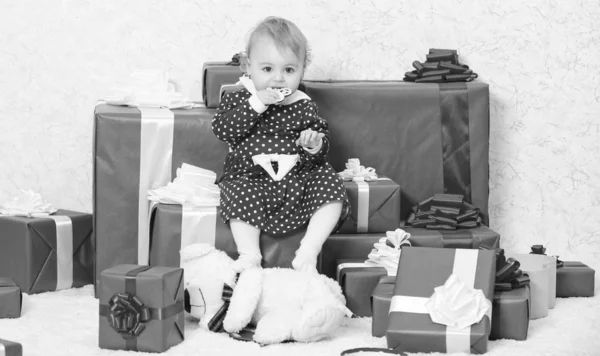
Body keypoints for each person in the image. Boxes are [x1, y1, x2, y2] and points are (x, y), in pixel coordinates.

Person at [212, 16, 349, 274]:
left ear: (301, 70)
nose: (278, 79)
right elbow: (223, 129)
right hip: (250, 176)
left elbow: (320, 148)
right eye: (267, 70)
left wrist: (313, 145)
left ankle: (308, 251)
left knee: (331, 182)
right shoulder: (239, 97)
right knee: (238, 191)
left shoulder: (303, 103)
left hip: (296, 176)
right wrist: (258, 103)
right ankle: (249, 254)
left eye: (288, 70)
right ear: (248, 67)